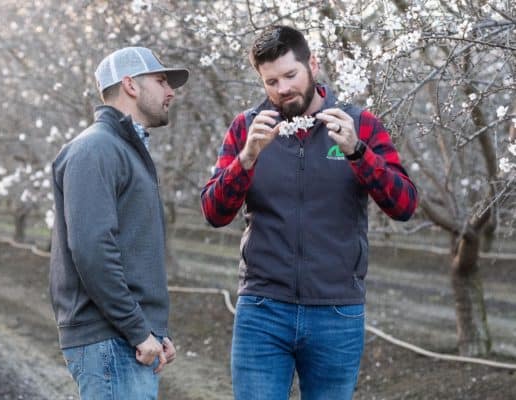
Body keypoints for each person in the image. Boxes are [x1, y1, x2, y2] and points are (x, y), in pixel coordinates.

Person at [201, 26, 418, 399]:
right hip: (263, 309)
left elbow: (404, 205)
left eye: (290, 75)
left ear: (312, 65)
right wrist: (247, 158)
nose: (282, 89)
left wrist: (357, 152)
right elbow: (214, 212)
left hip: (336, 312)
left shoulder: (358, 123)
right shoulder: (247, 127)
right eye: (271, 81)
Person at [49, 46, 189, 399]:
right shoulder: (95, 149)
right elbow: (93, 250)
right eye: (161, 81)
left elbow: (132, 248)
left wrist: (155, 330)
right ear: (130, 84)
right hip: (109, 339)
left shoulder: (122, 150)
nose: (170, 91)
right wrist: (138, 330)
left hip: (124, 337)